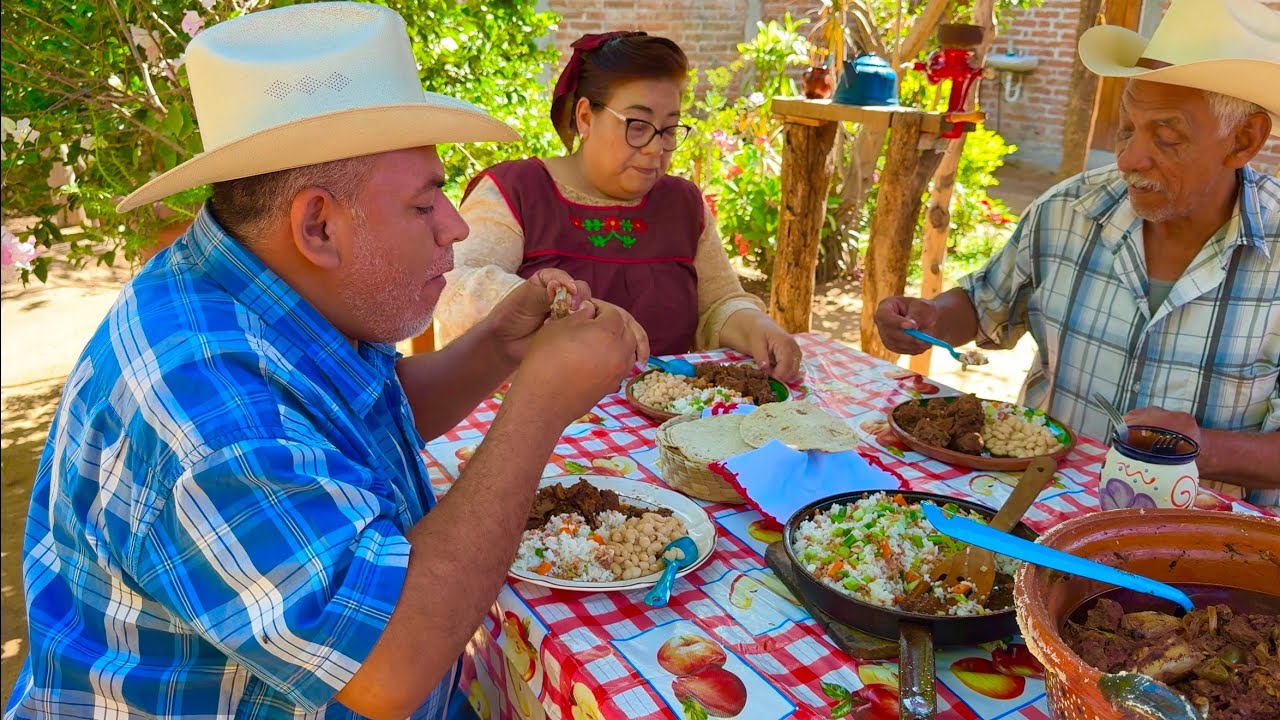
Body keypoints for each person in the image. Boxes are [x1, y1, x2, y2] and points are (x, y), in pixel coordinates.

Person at [5, 4, 643, 719]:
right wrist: (538, 407)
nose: (455, 226)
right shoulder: (205, 405)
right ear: (318, 225)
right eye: (425, 202)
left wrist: (498, 348)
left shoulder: (263, 286)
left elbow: (352, 421)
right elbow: (388, 666)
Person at [874, 0, 1280, 507]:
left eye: (1167, 135)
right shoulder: (1071, 210)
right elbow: (984, 306)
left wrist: (1202, 448)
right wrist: (931, 318)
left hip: (1202, 546)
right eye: (1127, 127)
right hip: (1042, 511)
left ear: (1243, 141)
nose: (1129, 158)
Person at [434, 31, 805, 382]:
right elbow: (455, 288)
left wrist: (759, 327)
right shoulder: (516, 191)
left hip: (665, 420)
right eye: (638, 126)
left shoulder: (682, 205)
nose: (656, 148)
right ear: (585, 117)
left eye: (670, 129)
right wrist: (571, 309)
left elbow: (718, 304)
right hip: (537, 417)